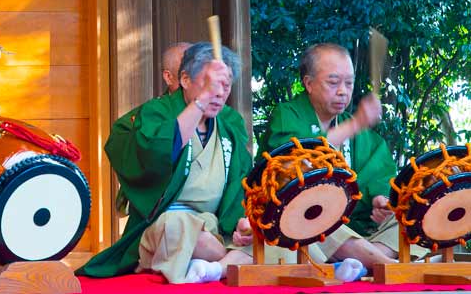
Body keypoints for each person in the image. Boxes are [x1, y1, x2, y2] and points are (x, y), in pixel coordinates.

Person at [80, 42, 254, 284]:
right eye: (209, 83)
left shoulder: (230, 123)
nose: (219, 92)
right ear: (184, 79)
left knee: (271, 235)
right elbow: (152, 155)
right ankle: (231, 262)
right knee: (177, 228)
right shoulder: (157, 112)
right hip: (169, 225)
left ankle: (213, 269)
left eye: (225, 85)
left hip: (216, 227)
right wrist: (200, 103)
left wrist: (242, 223)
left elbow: (241, 182)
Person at [259, 43, 426, 271]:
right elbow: (299, 161)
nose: (343, 91)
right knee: (315, 219)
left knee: (414, 215)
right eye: (333, 82)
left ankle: (362, 259)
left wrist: (380, 201)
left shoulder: (356, 130)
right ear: (308, 83)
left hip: (355, 229)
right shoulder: (287, 115)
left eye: (348, 83)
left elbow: (380, 176)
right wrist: (355, 124)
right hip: (305, 224)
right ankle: (387, 265)